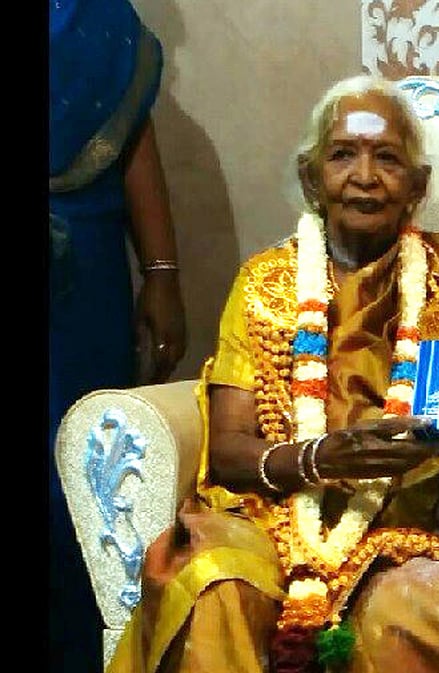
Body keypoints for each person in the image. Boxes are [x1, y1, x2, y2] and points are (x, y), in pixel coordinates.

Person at [105, 74, 439, 673]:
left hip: (401, 524)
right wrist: (322, 458)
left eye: (388, 159)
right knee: (215, 581)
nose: (365, 176)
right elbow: (231, 450)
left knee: (403, 613)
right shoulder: (263, 284)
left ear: (417, 188)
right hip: (269, 514)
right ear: (311, 179)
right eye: (343, 155)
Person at [50, 0, 187, 670]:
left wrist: (161, 271)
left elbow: (129, 131)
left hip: (81, 284)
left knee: (79, 483)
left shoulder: (96, 14)